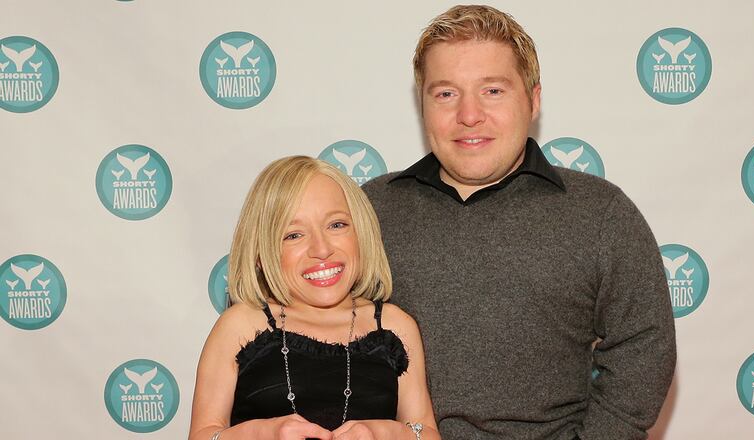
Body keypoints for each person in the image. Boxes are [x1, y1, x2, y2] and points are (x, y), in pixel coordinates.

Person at [363, 5, 676, 440]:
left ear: (533, 99)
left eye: (492, 91)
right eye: (446, 94)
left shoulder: (600, 213)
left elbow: (645, 348)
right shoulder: (366, 210)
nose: (469, 115)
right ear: (423, 105)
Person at [189, 156, 439, 440]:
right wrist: (264, 433)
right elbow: (203, 434)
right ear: (261, 253)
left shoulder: (394, 326)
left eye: (336, 225)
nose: (321, 249)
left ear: (362, 232)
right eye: (293, 235)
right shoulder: (239, 326)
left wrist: (386, 433)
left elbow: (425, 431)